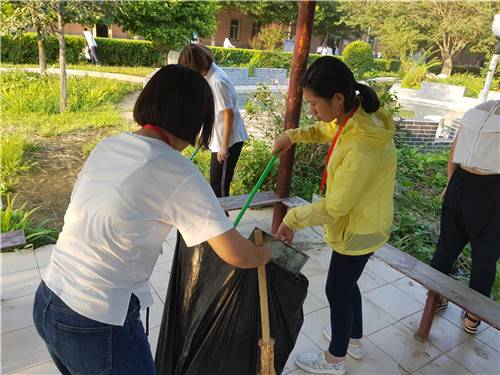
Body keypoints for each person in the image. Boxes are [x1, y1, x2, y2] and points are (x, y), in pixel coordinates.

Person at [32, 65, 271, 375]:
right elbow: (238, 254)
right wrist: (265, 254)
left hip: (48, 299)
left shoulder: (109, 145)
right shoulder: (176, 170)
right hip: (95, 319)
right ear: (195, 120)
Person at [272, 56, 397, 375]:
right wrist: (293, 135)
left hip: (359, 229)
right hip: (365, 222)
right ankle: (352, 339)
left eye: (315, 103)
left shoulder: (361, 147)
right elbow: (324, 130)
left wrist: (291, 219)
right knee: (347, 284)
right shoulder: (355, 120)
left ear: (337, 98)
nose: (311, 109)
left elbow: (334, 208)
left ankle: (335, 359)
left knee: (336, 290)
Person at [430, 100, 500, 334]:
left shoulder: (479, 108)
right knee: (485, 256)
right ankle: (472, 317)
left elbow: (455, 148)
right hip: (492, 190)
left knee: (446, 247)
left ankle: (435, 299)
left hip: (460, 181)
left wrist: (451, 183)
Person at [178, 43, 248, 198]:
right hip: (220, 138)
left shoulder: (217, 80)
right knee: (216, 185)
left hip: (228, 141)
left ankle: (223, 221)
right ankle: (220, 219)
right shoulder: (209, 74)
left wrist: (224, 147)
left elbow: (229, 115)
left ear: (196, 65)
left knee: (219, 187)